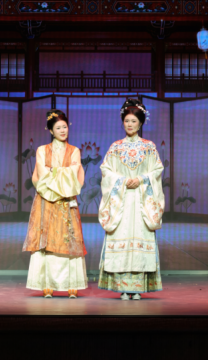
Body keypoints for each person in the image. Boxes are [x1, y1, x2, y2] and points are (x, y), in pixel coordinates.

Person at [98, 99, 165, 300]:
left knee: (140, 236)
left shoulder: (149, 147)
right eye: (127, 120)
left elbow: (157, 169)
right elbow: (105, 170)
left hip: (143, 199)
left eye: (134, 121)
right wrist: (123, 180)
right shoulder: (116, 147)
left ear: (141, 123)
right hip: (121, 200)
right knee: (121, 235)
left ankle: (138, 288)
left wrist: (142, 179)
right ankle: (122, 287)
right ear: (122, 122)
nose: (130, 124)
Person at [23, 109, 87, 298]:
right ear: (50, 130)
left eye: (65, 127)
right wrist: (60, 173)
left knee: (69, 239)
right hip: (46, 200)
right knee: (47, 240)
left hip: (67, 201)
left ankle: (72, 284)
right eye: (58, 128)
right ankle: (47, 284)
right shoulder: (42, 150)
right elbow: (42, 175)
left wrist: (53, 171)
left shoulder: (74, 151)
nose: (62, 130)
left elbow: (74, 174)